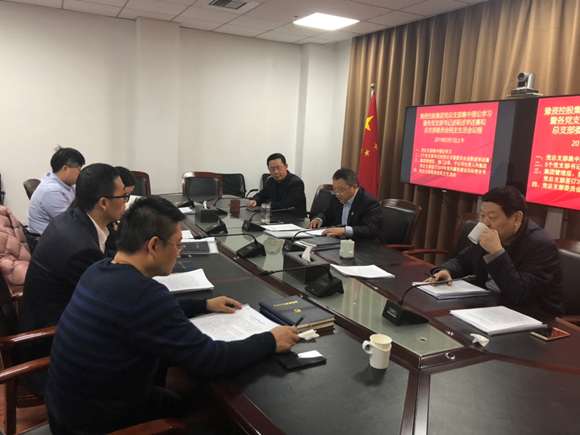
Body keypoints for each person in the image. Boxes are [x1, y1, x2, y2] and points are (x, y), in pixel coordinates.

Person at [45, 196, 299, 434]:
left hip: (66, 409)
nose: (179, 253)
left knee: (180, 396)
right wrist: (270, 340)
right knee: (204, 414)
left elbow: (145, 312)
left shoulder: (99, 269)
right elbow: (210, 359)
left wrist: (203, 305)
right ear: (154, 245)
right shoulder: (144, 295)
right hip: (95, 424)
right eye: (177, 245)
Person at [18, 163, 127, 365]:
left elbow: (107, 257)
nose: (126, 202)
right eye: (123, 196)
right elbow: (108, 301)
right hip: (51, 342)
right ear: (104, 202)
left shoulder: (74, 217)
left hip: (57, 317)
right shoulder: (80, 250)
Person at [426, 186, 564, 317]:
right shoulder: (488, 232)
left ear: (517, 218)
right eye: (482, 215)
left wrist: (496, 253)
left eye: (492, 217)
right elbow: (462, 261)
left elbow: (519, 293)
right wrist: (446, 270)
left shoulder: (541, 245)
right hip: (489, 304)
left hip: (530, 316)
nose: (485, 223)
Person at [307, 168, 385, 243]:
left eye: (341, 190)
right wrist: (319, 219)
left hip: (364, 244)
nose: (337, 193)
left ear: (354, 187)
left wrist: (344, 230)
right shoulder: (336, 198)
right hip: (341, 241)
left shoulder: (369, 202)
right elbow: (328, 214)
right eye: (334, 189)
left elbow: (369, 229)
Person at [27, 147, 85, 235]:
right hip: (45, 238)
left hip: (59, 231)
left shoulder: (65, 183)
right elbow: (70, 222)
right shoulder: (52, 191)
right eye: (79, 169)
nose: (81, 173)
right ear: (65, 169)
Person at [247, 153, 307, 218]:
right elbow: (261, 195)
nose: (276, 172)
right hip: (275, 217)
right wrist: (255, 200)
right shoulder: (271, 181)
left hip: (294, 219)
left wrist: (269, 205)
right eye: (272, 169)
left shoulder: (296, 183)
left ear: (286, 166)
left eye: (279, 168)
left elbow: (287, 204)